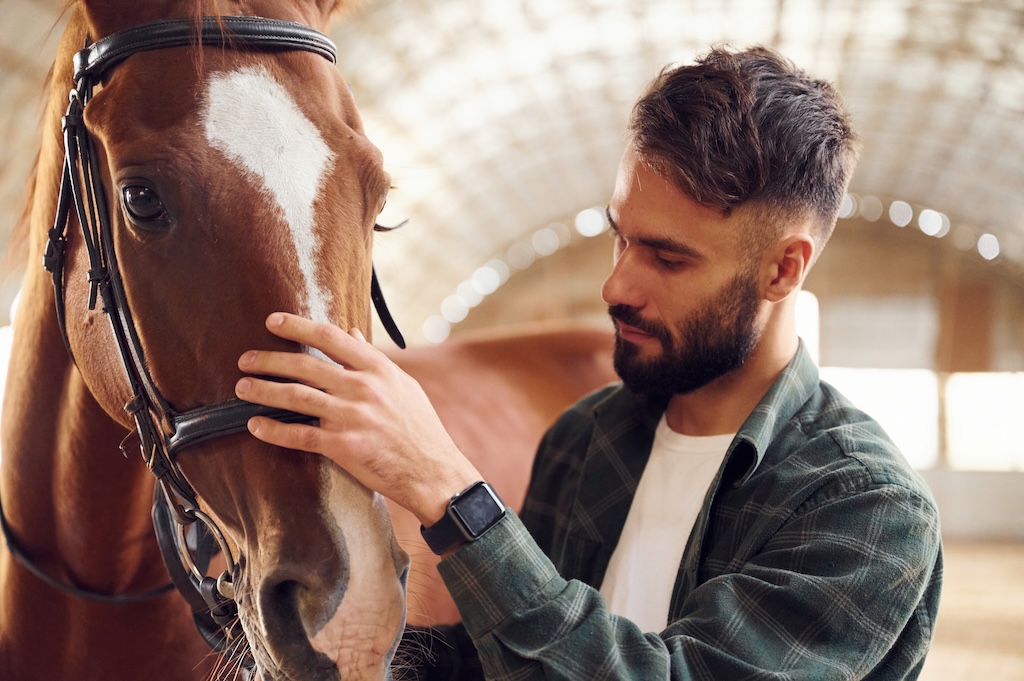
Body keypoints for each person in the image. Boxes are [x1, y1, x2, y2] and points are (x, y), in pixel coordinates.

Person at [234, 44, 943, 680]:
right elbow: (515, 657)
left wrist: (449, 491)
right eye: (619, 238)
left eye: (668, 257)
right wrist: (331, 649)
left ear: (784, 268)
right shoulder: (585, 439)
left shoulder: (868, 510)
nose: (616, 287)